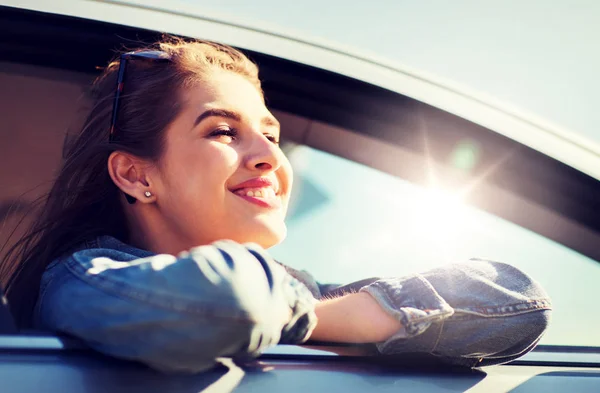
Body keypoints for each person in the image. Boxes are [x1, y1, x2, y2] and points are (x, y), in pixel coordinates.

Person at [0, 37, 552, 373]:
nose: (269, 155)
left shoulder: (299, 294)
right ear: (136, 174)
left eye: (271, 134)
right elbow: (227, 304)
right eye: (223, 131)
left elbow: (516, 301)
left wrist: (321, 315)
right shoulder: (85, 278)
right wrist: (344, 318)